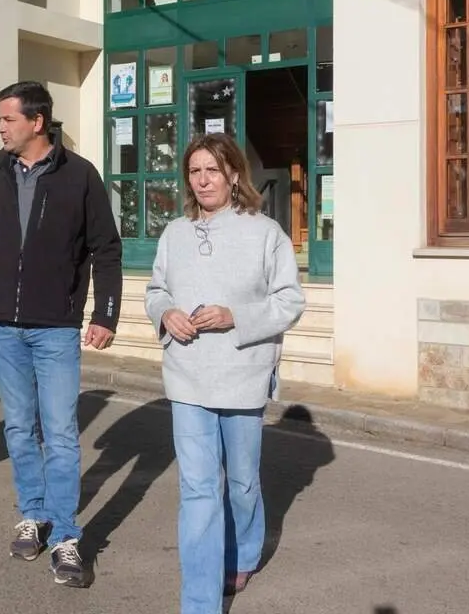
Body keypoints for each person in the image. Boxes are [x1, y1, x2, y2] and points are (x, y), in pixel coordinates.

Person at [0, 81, 123, 588]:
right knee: (18, 427)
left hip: (55, 328)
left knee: (62, 432)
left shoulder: (80, 176)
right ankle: (33, 513)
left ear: (38, 121)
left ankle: (67, 537)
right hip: (3, 327)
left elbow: (106, 249)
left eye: (8, 119)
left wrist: (105, 314)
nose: (0, 127)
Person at [144, 133, 305, 613]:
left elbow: (290, 300)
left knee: (240, 481)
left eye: (212, 169)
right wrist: (166, 313)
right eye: (194, 171)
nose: (203, 179)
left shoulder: (264, 232)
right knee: (197, 490)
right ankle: (199, 602)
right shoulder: (174, 233)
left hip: (242, 375)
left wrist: (236, 315)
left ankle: (246, 552)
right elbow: (155, 289)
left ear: (234, 174)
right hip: (187, 376)